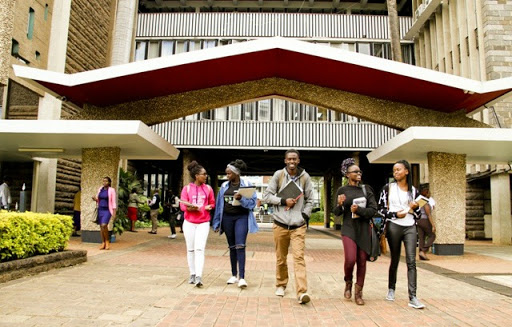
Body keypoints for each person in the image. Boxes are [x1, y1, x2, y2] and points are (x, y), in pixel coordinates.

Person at [262, 149, 313, 304]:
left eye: (294, 159)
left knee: (298, 258)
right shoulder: (279, 175)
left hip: (298, 225)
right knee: (281, 258)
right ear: (285, 161)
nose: (292, 161)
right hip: (280, 224)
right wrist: (283, 201)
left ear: (298, 161)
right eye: (289, 159)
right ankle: (281, 284)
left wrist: (304, 215)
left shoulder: (305, 177)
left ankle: (301, 292)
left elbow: (310, 199)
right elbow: (266, 196)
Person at [377, 160, 425, 309]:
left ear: (406, 171)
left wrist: (415, 207)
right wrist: (395, 214)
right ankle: (391, 288)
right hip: (394, 226)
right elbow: (380, 209)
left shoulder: (414, 191)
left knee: (411, 261)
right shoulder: (388, 188)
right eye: (394, 170)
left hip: (410, 226)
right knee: (395, 258)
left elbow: (418, 214)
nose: (396, 172)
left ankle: (413, 297)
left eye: (398, 169)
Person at [333, 158, 377, 305]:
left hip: (364, 230)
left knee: (362, 262)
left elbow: (373, 210)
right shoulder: (342, 190)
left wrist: (359, 210)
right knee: (350, 259)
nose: (358, 173)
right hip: (349, 228)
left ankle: (358, 293)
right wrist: (340, 204)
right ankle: (348, 282)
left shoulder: (366, 189)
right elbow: (336, 212)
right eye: (355, 171)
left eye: (359, 171)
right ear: (347, 174)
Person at [212, 159, 258, 289]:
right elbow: (219, 205)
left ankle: (242, 277)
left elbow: (252, 204)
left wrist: (241, 199)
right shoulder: (224, 186)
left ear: (236, 173)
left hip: (241, 217)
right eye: (226, 173)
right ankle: (233, 275)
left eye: (229, 173)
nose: (227, 176)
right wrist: (216, 222)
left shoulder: (247, 185)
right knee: (232, 247)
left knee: (240, 245)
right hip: (227, 218)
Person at [180, 160, 215, 287]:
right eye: (203, 174)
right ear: (196, 176)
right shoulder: (187, 188)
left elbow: (212, 203)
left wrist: (208, 207)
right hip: (189, 222)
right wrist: (190, 208)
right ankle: (192, 274)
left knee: (199, 249)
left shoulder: (209, 189)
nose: (206, 176)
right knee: (190, 249)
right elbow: (182, 205)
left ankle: (199, 276)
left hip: (203, 222)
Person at [92, 176, 117, 250]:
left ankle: (107, 241)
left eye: (106, 181)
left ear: (109, 182)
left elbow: (113, 202)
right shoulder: (100, 189)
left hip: (107, 210)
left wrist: (114, 212)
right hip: (100, 209)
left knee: (104, 225)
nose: (104, 182)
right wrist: (95, 199)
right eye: (103, 181)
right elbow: (99, 200)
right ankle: (103, 242)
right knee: (101, 227)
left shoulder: (111, 190)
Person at [417, 183, 436, 261]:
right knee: (432, 236)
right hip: (425, 220)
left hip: (418, 220)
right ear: (426, 193)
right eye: (429, 193)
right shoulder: (425, 202)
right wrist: (433, 225)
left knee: (422, 237)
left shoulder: (419, 201)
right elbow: (428, 215)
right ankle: (424, 251)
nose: (430, 194)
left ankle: (421, 255)